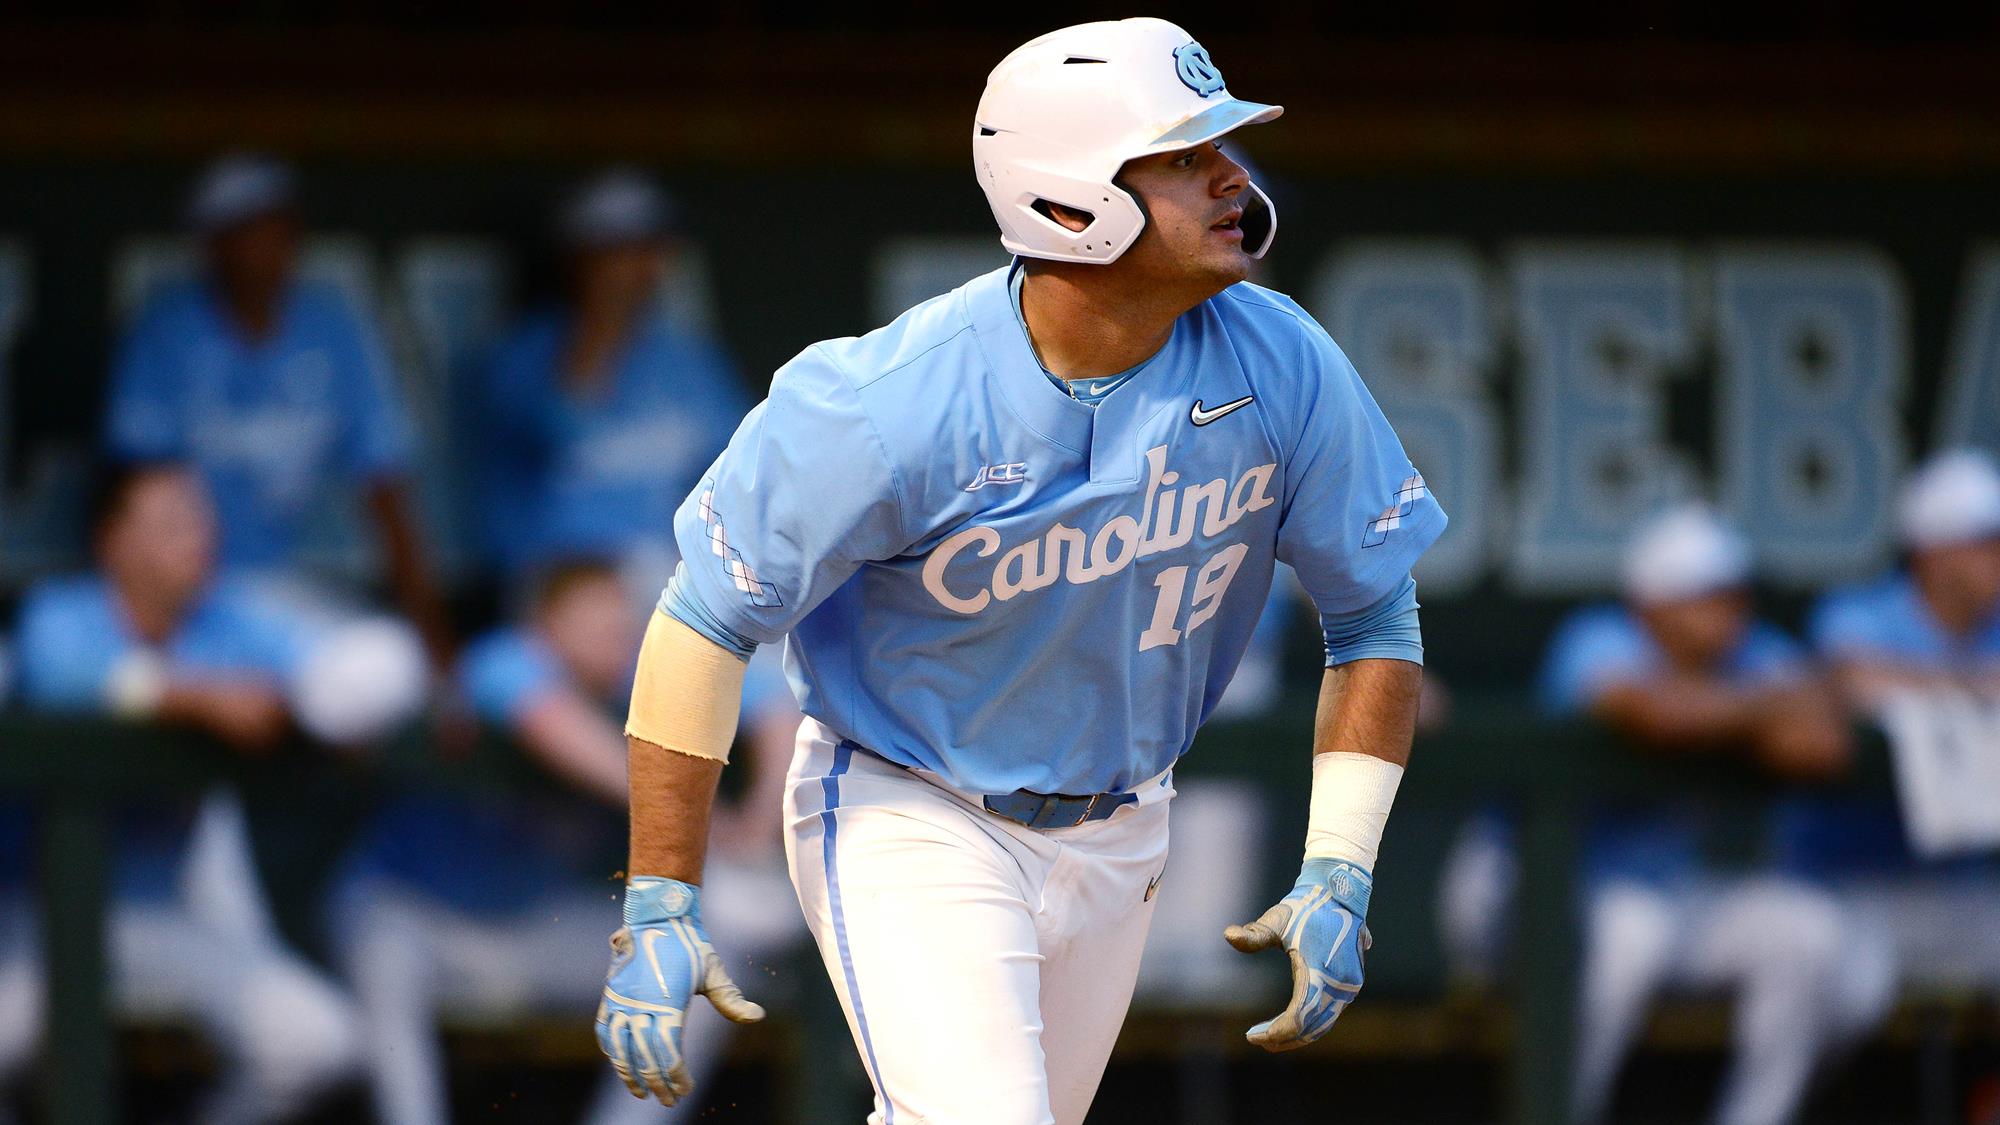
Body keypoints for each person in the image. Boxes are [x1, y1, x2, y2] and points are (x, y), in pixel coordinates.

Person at [597, 18, 1447, 1124]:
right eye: (1187, 157)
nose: (1232, 177)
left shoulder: (1281, 358)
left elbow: (1374, 614)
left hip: (1121, 825)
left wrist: (1340, 862)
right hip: (911, 802)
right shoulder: (882, 401)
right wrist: (661, 897)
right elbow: (704, 621)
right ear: (1069, 203)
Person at [336, 558, 802, 1125]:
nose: (613, 642)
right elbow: (552, 723)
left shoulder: (637, 671)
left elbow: (771, 699)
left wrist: (757, 817)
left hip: (535, 927)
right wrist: (696, 816)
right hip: (422, 913)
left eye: (621, 627)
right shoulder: (501, 660)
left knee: (696, 972)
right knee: (387, 949)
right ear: (544, 627)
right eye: (592, 627)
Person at [0, 462, 391, 1123]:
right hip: (31, 912)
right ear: (114, 540)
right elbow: (55, 670)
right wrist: (193, 697)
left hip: (166, 907)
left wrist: (315, 707)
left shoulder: (226, 619)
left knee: (318, 1044)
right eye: (172, 522)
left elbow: (353, 668)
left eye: (201, 518)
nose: (198, 536)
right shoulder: (63, 613)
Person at [1525, 504, 1892, 1124]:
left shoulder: (1753, 653)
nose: (1728, 611)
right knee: (1629, 936)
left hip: (1671, 893)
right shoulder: (1598, 637)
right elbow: (1655, 716)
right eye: (1704, 596)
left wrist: (1728, 710)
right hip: (1534, 890)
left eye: (1732, 594)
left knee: (1811, 935)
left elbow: (1822, 747)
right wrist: (1766, 708)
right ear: (1650, 605)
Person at [101, 153, 455, 667]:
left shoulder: (329, 328)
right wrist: (140, 620)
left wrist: (437, 642)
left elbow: (385, 486)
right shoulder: (168, 332)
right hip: (184, 594)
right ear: (211, 243)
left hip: (276, 583)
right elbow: (129, 491)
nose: (263, 247)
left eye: (276, 227)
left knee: (386, 667)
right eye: (244, 231)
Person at [1777, 449, 2000, 991]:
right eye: (1984, 544)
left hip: (1968, 888)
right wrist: (1976, 687)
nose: (1996, 558)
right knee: (1844, 985)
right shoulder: (1859, 612)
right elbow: (1850, 679)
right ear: (1932, 555)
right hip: (1847, 885)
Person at [472, 171, 752, 589]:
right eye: (618, 252)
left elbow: (741, 465)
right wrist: (602, 328)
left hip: (672, 565)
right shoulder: (522, 356)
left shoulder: (684, 356)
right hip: (559, 577)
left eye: (648, 250)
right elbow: (555, 432)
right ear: (578, 261)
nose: (636, 268)